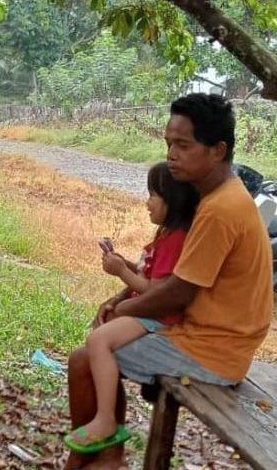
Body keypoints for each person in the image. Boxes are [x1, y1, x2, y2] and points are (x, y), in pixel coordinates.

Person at [44, 93, 274, 470]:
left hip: (213, 348)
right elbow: (170, 280)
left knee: (86, 357)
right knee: (90, 352)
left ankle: (95, 464)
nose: (171, 155)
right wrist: (123, 298)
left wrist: (122, 309)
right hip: (205, 333)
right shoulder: (217, 197)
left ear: (218, 150)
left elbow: (179, 291)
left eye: (183, 146)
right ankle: (99, 464)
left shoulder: (221, 209)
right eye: (168, 143)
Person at [63, 162, 200, 454]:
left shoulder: (176, 239)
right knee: (99, 335)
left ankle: (105, 419)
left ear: (172, 200)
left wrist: (120, 274)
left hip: (158, 316)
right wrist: (123, 264)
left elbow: (157, 290)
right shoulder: (166, 234)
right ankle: (104, 426)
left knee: (98, 340)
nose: (147, 202)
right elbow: (148, 273)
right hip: (149, 311)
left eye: (153, 195)